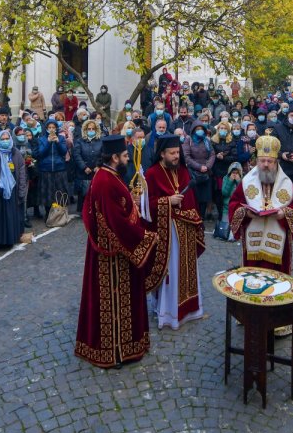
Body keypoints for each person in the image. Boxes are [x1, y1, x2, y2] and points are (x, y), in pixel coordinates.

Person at [75, 135, 158, 368]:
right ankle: (114, 352)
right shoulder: (104, 180)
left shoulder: (111, 176)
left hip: (117, 251)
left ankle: (126, 347)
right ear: (114, 157)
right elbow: (114, 222)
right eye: (124, 156)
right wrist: (145, 237)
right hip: (112, 255)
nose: (126, 159)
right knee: (113, 302)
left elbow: (121, 207)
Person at [140, 134, 205, 329]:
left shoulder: (184, 171)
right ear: (162, 154)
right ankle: (168, 313)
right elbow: (146, 206)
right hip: (166, 235)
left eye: (178, 152)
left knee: (187, 271)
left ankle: (191, 310)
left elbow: (191, 200)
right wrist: (168, 201)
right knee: (171, 274)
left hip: (185, 231)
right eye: (172, 153)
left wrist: (195, 223)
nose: (176, 156)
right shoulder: (152, 174)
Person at [227, 135, 293, 274]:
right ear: (256, 161)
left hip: (278, 243)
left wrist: (285, 213)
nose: (266, 164)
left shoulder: (286, 183)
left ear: (276, 162)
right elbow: (234, 203)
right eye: (262, 160)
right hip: (253, 239)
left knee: (276, 277)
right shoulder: (247, 182)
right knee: (252, 275)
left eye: (270, 161)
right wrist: (246, 212)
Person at [35, 120, 70, 219]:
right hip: (46, 169)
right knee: (48, 194)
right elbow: (41, 153)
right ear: (46, 128)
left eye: (53, 127)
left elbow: (64, 152)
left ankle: (60, 215)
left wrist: (58, 142)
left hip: (59, 168)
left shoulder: (61, 138)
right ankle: (48, 214)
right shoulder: (41, 139)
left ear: (56, 129)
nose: (51, 129)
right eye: (49, 127)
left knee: (59, 193)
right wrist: (48, 142)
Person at [181, 122, 216, 222]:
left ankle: (202, 218)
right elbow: (186, 157)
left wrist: (207, 166)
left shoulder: (206, 141)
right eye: (197, 129)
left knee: (205, 198)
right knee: (195, 197)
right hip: (194, 173)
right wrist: (199, 167)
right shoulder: (189, 140)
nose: (199, 131)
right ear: (193, 130)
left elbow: (212, 154)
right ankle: (194, 218)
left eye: (201, 129)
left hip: (206, 173)